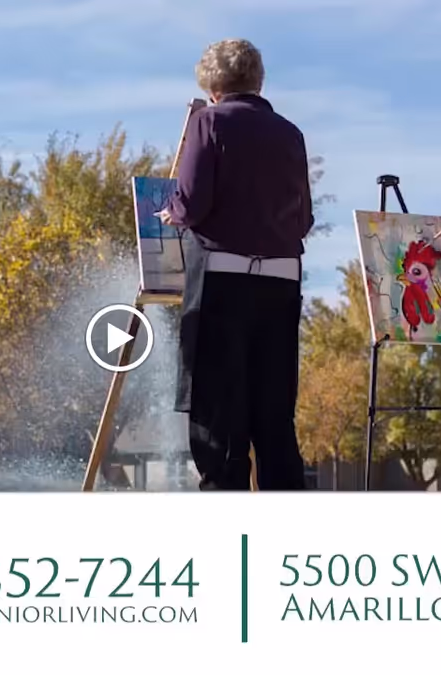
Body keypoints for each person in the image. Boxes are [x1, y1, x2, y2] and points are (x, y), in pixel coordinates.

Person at [159, 39, 313, 491]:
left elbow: (190, 203)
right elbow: (302, 219)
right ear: (257, 79)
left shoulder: (208, 123)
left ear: (212, 86)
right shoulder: (291, 133)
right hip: (282, 284)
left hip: (222, 284)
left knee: (219, 423)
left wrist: (173, 210)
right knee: (274, 419)